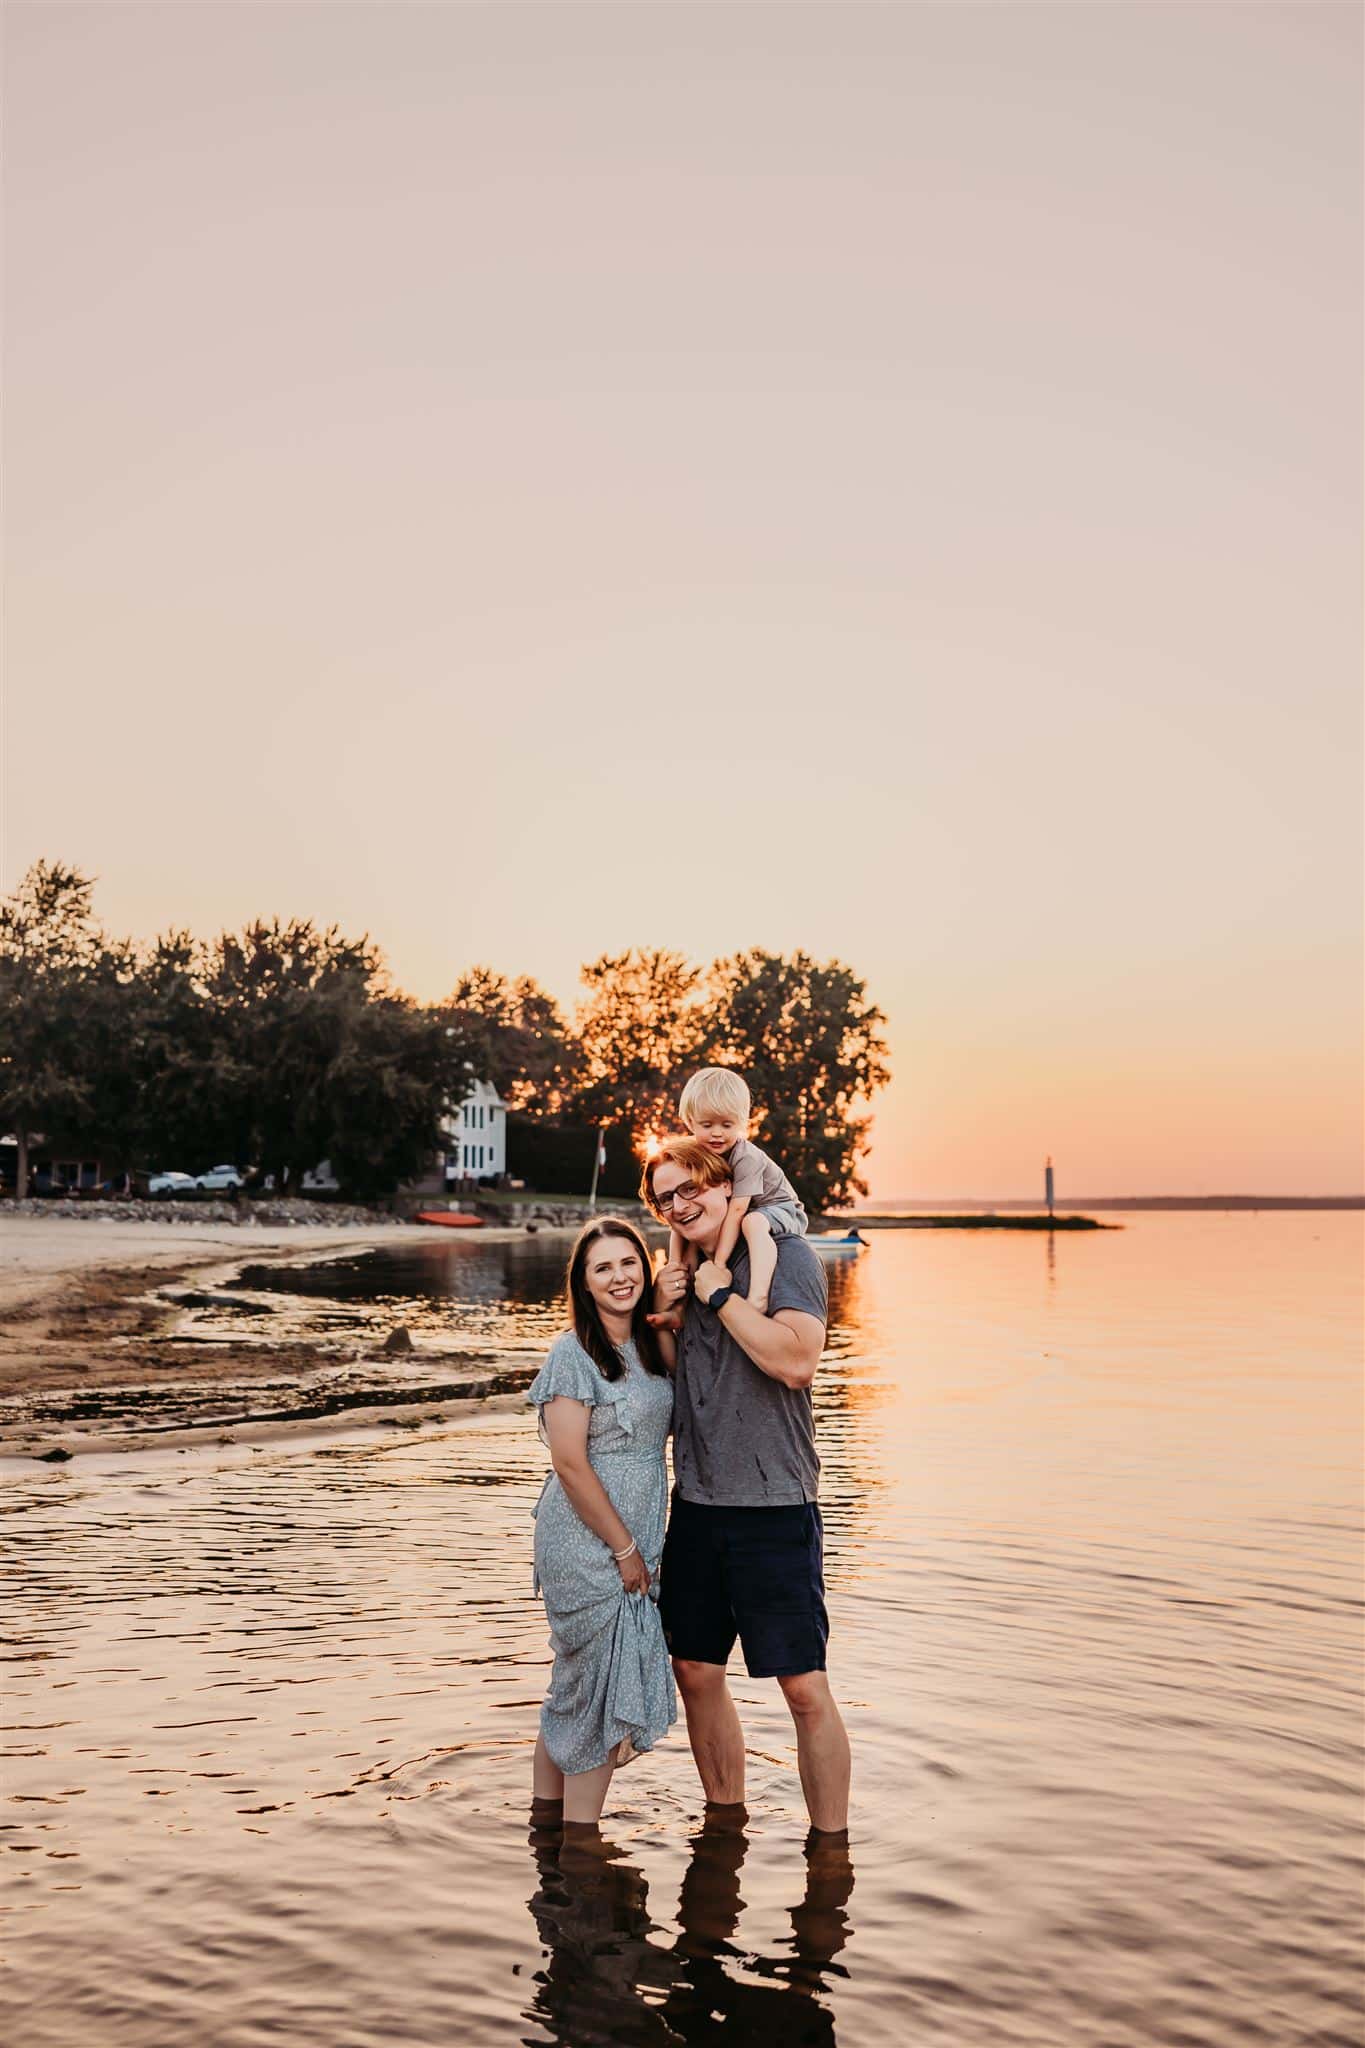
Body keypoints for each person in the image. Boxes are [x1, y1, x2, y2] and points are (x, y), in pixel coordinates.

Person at [641, 1136, 851, 1838]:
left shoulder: (785, 1255)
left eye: (690, 1187)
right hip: (696, 1505)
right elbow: (676, 1378)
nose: (679, 1204)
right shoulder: (682, 1269)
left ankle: (831, 1851)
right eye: (665, 1197)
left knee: (802, 1688)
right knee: (695, 1671)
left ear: (720, 1183)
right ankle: (724, 1825)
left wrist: (721, 1296)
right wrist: (666, 1309)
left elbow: (795, 1362)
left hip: (774, 1504)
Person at [527, 1218, 677, 1828]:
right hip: (587, 1540)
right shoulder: (573, 1354)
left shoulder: (650, 1347)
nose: (620, 1277)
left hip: (635, 1536)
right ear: (584, 1285)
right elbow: (569, 1462)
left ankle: (545, 1829)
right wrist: (624, 1550)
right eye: (603, 1268)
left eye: (629, 1263)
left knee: (576, 1684)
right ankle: (582, 1849)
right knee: (595, 1685)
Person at [653, 1066, 807, 1325]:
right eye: (706, 1125)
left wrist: (719, 1264)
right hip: (750, 1210)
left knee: (753, 1222)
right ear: (690, 1122)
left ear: (742, 1123)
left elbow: (737, 1211)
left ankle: (758, 1297)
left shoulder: (746, 1157)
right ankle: (678, 1301)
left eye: (727, 1125)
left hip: (782, 1209)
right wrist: (675, 1265)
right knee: (682, 1219)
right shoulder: (700, 1153)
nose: (717, 1133)